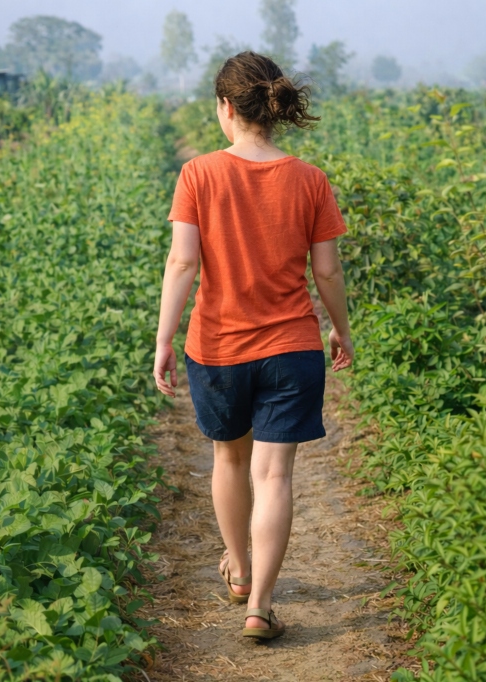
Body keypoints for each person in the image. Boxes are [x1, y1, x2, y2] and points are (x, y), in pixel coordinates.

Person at [152, 51, 354, 641]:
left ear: (225, 108)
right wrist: (340, 330)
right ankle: (260, 605)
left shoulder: (198, 175)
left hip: (216, 346)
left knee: (230, 461)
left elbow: (183, 261)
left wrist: (164, 338)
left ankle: (238, 569)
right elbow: (329, 273)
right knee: (274, 477)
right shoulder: (310, 179)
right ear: (274, 107)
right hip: (292, 347)